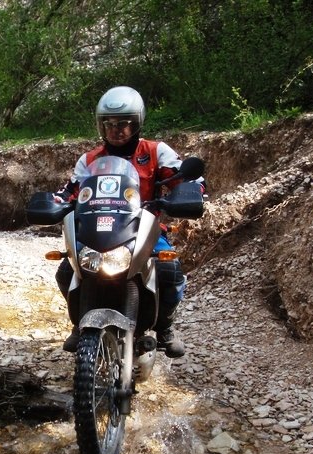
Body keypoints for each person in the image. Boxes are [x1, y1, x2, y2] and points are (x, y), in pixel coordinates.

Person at [54, 85, 202, 358]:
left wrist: (188, 193)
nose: (116, 129)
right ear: (101, 125)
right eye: (109, 124)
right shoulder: (89, 159)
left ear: (137, 123)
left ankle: (165, 328)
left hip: (143, 227)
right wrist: (54, 203)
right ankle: (79, 325)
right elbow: (69, 190)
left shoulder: (157, 151)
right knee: (66, 271)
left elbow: (186, 178)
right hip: (96, 227)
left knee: (171, 273)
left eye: (124, 124)